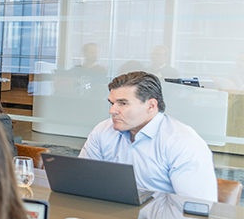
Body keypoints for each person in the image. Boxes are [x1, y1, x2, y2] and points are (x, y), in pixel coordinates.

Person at [79, 71, 217, 201]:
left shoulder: (182, 142)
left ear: (151, 106)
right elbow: (83, 182)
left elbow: (195, 208)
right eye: (112, 103)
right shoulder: (103, 130)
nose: (112, 111)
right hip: (110, 217)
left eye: (123, 103)